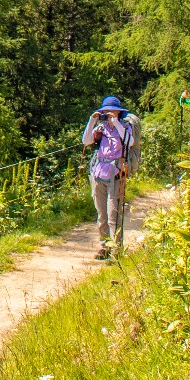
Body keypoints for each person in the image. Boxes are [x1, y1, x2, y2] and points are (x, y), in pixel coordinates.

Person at [80, 95, 138, 260]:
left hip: (116, 175)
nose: (108, 114)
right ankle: (104, 246)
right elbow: (86, 141)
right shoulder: (101, 128)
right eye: (106, 112)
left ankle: (117, 249)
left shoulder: (125, 127)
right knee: (102, 214)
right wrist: (92, 121)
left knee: (114, 214)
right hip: (99, 175)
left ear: (119, 113)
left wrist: (116, 123)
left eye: (111, 111)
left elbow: (130, 142)